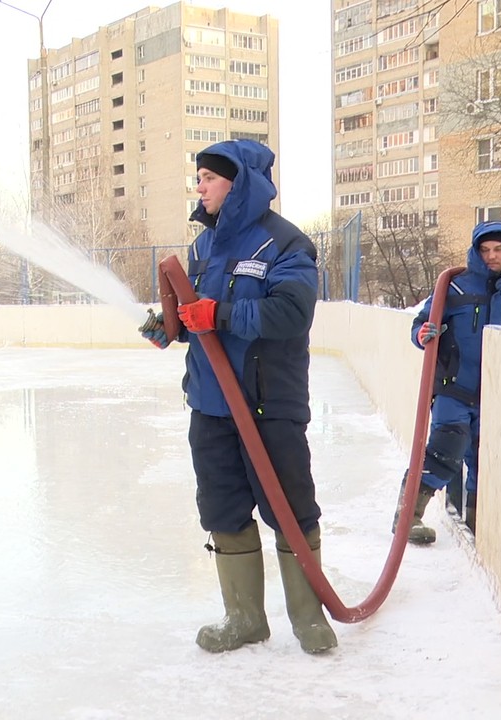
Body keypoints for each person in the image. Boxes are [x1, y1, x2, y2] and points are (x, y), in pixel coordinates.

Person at [139, 139, 336, 655]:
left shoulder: (285, 245)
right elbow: (194, 313)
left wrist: (218, 316)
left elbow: (291, 314)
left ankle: (309, 619)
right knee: (222, 509)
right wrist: (171, 327)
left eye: (208, 177)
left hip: (269, 405)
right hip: (211, 404)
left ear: (238, 183)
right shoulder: (202, 248)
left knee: (290, 507)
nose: (199, 186)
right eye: (198, 177)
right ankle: (245, 617)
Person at [393, 220, 501, 544]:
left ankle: (477, 527)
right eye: (484, 250)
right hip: (455, 387)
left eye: (498, 249)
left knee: (484, 461)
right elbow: (421, 324)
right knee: (447, 447)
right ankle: (407, 518)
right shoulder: (455, 286)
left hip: (498, 395)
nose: (491, 256)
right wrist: (423, 334)